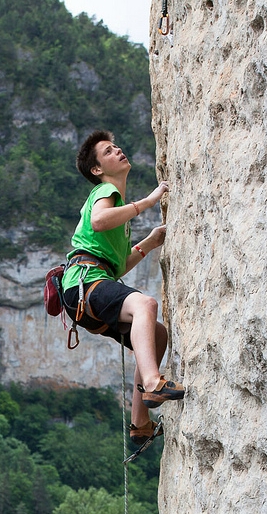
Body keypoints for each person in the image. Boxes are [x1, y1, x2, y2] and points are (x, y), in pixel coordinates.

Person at [62, 130, 184, 453]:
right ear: (97, 170)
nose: (118, 151)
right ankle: (154, 384)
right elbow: (100, 221)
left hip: (89, 284)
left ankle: (140, 424)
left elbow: (116, 266)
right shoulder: (105, 192)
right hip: (84, 281)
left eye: (116, 147)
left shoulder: (119, 214)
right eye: (108, 151)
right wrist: (147, 202)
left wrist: (149, 243)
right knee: (145, 304)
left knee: (157, 335)